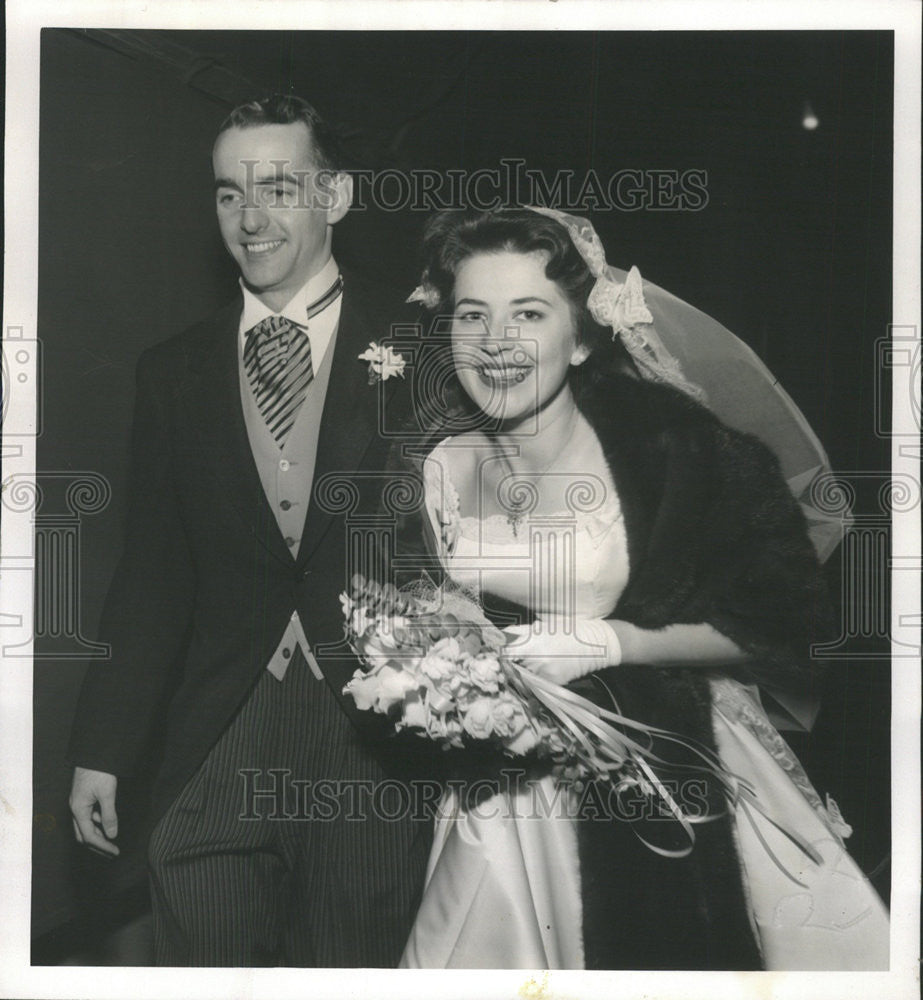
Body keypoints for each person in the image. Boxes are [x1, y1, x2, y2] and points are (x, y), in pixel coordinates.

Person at [393, 207, 890, 970]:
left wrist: (611, 641)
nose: (495, 343)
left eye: (528, 313)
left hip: (670, 760)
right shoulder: (442, 464)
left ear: (584, 334)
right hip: (507, 789)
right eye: (472, 314)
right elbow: (452, 607)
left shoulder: (671, 446)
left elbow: (782, 618)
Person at [67, 94, 430, 966]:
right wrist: (103, 750)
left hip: (370, 736)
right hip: (218, 725)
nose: (250, 217)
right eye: (229, 194)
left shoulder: (426, 343)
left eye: (276, 188)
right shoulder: (173, 373)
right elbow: (150, 575)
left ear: (334, 197)